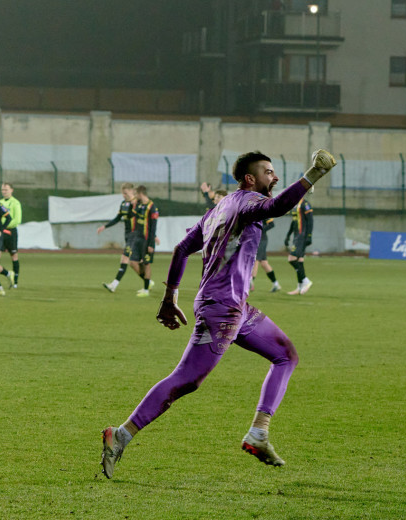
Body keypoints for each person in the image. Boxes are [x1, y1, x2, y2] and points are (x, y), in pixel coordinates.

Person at [99, 149, 337, 478]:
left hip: (232, 306)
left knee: (286, 355)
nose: (275, 177)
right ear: (250, 179)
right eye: (268, 172)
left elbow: (183, 247)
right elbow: (278, 206)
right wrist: (313, 174)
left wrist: (170, 297)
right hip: (222, 307)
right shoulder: (247, 202)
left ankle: (259, 432)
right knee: (186, 380)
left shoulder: (220, 208)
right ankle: (119, 435)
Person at [99, 183, 136, 293]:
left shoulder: (137, 204)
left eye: (125, 193)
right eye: (123, 193)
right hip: (127, 235)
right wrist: (105, 226)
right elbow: (117, 218)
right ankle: (148, 282)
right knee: (135, 264)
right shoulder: (124, 204)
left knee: (124, 258)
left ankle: (113, 285)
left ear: (132, 191)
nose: (124, 195)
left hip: (135, 236)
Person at [128, 185, 160, 297]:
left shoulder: (152, 207)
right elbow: (132, 216)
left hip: (146, 241)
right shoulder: (139, 205)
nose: (135, 196)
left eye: (136, 193)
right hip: (137, 238)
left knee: (146, 264)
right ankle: (148, 282)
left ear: (140, 193)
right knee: (132, 262)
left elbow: (153, 227)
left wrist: (151, 243)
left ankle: (146, 290)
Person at [283, 197, 314, 295]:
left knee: (291, 259)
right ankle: (299, 287)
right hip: (297, 236)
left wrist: (309, 235)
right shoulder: (295, 205)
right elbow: (293, 222)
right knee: (299, 261)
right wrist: (288, 235)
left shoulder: (305, 204)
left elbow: (310, 220)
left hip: (302, 236)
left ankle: (305, 280)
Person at [0, 182, 22, 288]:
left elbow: (17, 220)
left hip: (11, 232)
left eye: (6, 190)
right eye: (2, 190)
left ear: (11, 190)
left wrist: (4, 226)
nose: (4, 192)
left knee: (14, 256)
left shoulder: (15, 203)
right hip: (1, 232)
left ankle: (15, 282)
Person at [252, 218, 282, 292]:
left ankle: (250, 282)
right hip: (255, 239)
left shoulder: (265, 209)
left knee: (256, 259)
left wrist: (260, 230)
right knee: (264, 263)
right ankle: (276, 284)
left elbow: (272, 224)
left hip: (262, 240)